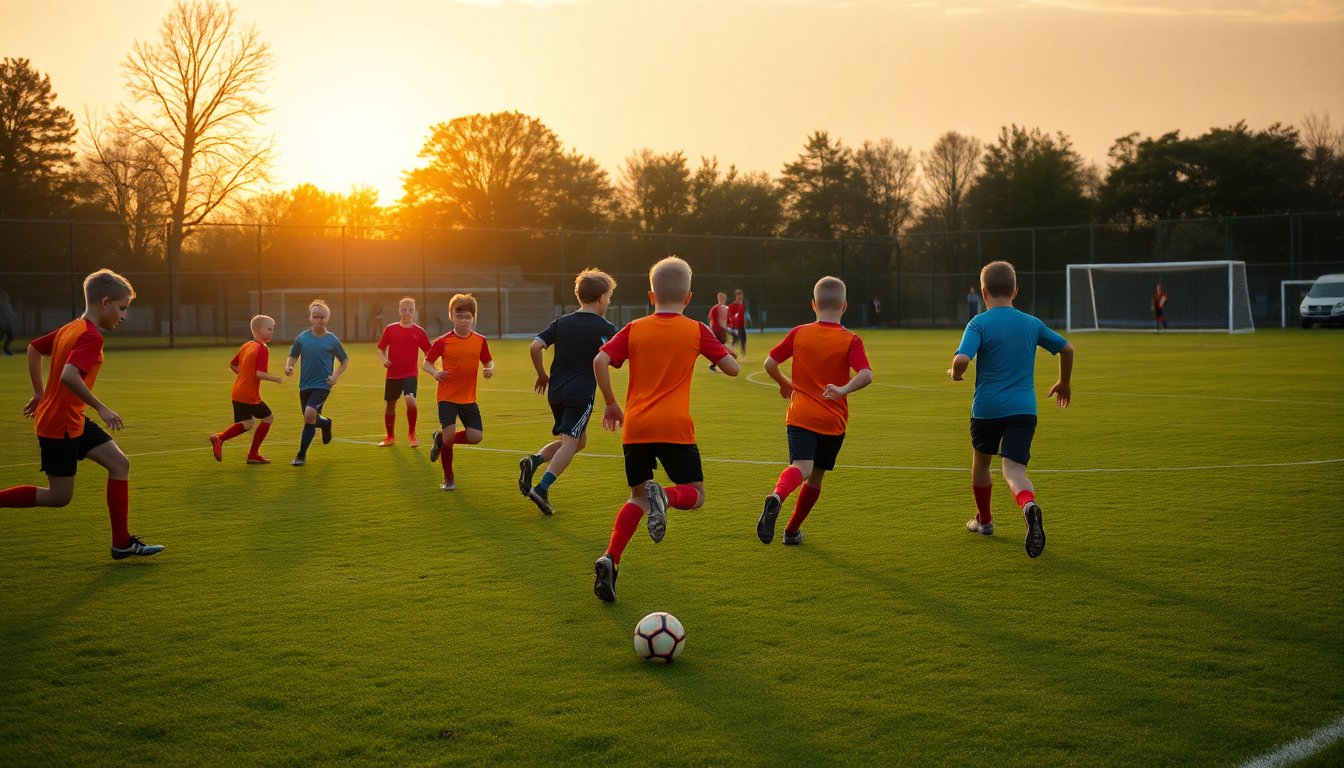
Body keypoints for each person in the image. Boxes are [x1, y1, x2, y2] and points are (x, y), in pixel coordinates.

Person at [591, 256, 739, 603]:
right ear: (689, 298)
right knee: (696, 495)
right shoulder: (696, 330)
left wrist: (612, 403)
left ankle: (610, 557)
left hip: (637, 427)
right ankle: (668, 497)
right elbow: (731, 369)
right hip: (674, 427)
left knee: (637, 497)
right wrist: (724, 353)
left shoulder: (635, 328)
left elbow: (599, 360)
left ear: (650, 295)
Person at [0, 269, 164, 559]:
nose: (123, 316)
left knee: (119, 464)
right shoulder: (90, 337)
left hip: (69, 417)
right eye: (122, 308)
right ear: (105, 302)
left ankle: (122, 543)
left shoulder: (70, 328)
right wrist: (101, 407)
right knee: (59, 497)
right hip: (59, 423)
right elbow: (69, 376)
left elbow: (33, 348)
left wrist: (40, 393)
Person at [947, 261, 1073, 559]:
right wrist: (1063, 383)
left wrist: (955, 373)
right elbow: (1067, 348)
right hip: (1023, 409)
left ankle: (985, 521)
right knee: (1014, 470)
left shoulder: (978, 323)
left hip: (987, 409)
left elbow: (963, 358)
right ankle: (1028, 505)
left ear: (983, 291)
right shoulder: (1031, 323)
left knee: (981, 463)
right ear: (1015, 291)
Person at [757, 276, 874, 545]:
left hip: (800, 416)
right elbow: (866, 374)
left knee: (800, 466)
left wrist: (784, 383)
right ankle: (791, 531)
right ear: (844, 306)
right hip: (832, 421)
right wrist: (843, 390)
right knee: (816, 476)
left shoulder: (800, 332)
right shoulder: (850, 340)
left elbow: (769, 363)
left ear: (813, 305)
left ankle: (777, 495)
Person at [518, 269, 617, 515]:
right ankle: (542, 488)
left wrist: (542, 375)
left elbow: (535, 346)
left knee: (576, 441)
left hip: (557, 391)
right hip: (580, 393)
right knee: (572, 442)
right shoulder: (605, 327)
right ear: (603, 297)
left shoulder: (562, 322)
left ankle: (535, 460)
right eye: (610, 296)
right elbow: (613, 360)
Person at [424, 293, 494, 491]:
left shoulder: (480, 340)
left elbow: (487, 359)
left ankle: (439, 439)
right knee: (449, 438)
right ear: (452, 317)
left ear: (473, 318)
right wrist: (435, 372)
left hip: (468, 397)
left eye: (468, 317)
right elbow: (426, 362)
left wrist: (489, 368)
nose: (464, 320)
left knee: (476, 437)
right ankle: (448, 478)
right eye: (460, 316)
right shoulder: (443, 341)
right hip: (447, 396)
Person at [209, 314, 283, 464]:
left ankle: (220, 438)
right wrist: (275, 378)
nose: (272, 332)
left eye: (272, 329)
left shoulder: (247, 345)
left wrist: (244, 376)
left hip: (238, 391)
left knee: (247, 423)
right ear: (257, 329)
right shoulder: (262, 348)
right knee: (268, 417)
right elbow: (260, 374)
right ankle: (251, 454)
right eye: (269, 329)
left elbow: (233, 365)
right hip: (248, 393)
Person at [284, 299, 349, 467]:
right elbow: (293, 354)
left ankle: (301, 455)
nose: (319, 320)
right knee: (309, 418)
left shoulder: (332, 340)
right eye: (316, 316)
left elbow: (344, 359)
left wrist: (334, 377)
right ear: (310, 317)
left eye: (322, 317)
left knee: (309, 414)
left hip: (323, 385)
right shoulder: (303, 338)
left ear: (327, 318)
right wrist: (289, 366)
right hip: (305, 385)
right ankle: (326, 423)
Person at [376, 297, 431, 447]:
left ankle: (412, 435)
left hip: (410, 374)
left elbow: (429, 351)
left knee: (410, 400)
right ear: (399, 310)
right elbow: (380, 348)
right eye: (404, 310)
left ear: (414, 311)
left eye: (410, 310)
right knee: (390, 405)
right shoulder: (390, 329)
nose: (407, 313)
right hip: (393, 374)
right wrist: (384, 359)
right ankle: (390, 437)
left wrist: (433, 366)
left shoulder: (419, 332)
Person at [706, 292, 730, 372]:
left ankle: (714, 364)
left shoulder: (714, 308)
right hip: (719, 330)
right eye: (724, 298)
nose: (725, 300)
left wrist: (711, 328)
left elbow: (710, 319)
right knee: (721, 346)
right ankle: (722, 362)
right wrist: (727, 329)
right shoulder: (722, 308)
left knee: (720, 346)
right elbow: (723, 321)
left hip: (716, 329)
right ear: (721, 298)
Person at [727, 288, 748, 360]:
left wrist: (744, 323)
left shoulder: (742, 305)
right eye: (738, 295)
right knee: (735, 340)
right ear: (736, 296)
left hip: (742, 326)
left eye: (741, 295)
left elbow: (742, 315)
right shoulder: (731, 306)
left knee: (743, 340)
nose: (740, 297)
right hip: (735, 327)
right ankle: (729, 353)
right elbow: (730, 316)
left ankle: (743, 355)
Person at [0, 289, 16, 355]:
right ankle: (5, 350)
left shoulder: (8, 305)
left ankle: (5, 350)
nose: (7, 298)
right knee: (7, 336)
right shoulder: (1, 304)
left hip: (8, 324)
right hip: (3, 324)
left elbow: (12, 313)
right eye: (5, 297)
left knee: (10, 336)